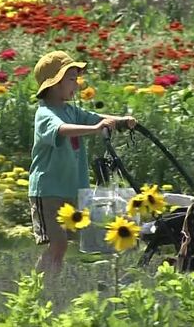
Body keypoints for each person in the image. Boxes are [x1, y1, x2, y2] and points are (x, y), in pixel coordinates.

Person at [29, 51, 136, 273]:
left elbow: (96, 119)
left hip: (70, 188)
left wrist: (122, 121)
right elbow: (61, 129)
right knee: (57, 244)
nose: (76, 85)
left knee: (68, 244)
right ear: (54, 83)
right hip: (48, 190)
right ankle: (38, 287)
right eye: (71, 79)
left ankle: (52, 284)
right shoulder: (45, 113)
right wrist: (95, 130)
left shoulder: (71, 110)